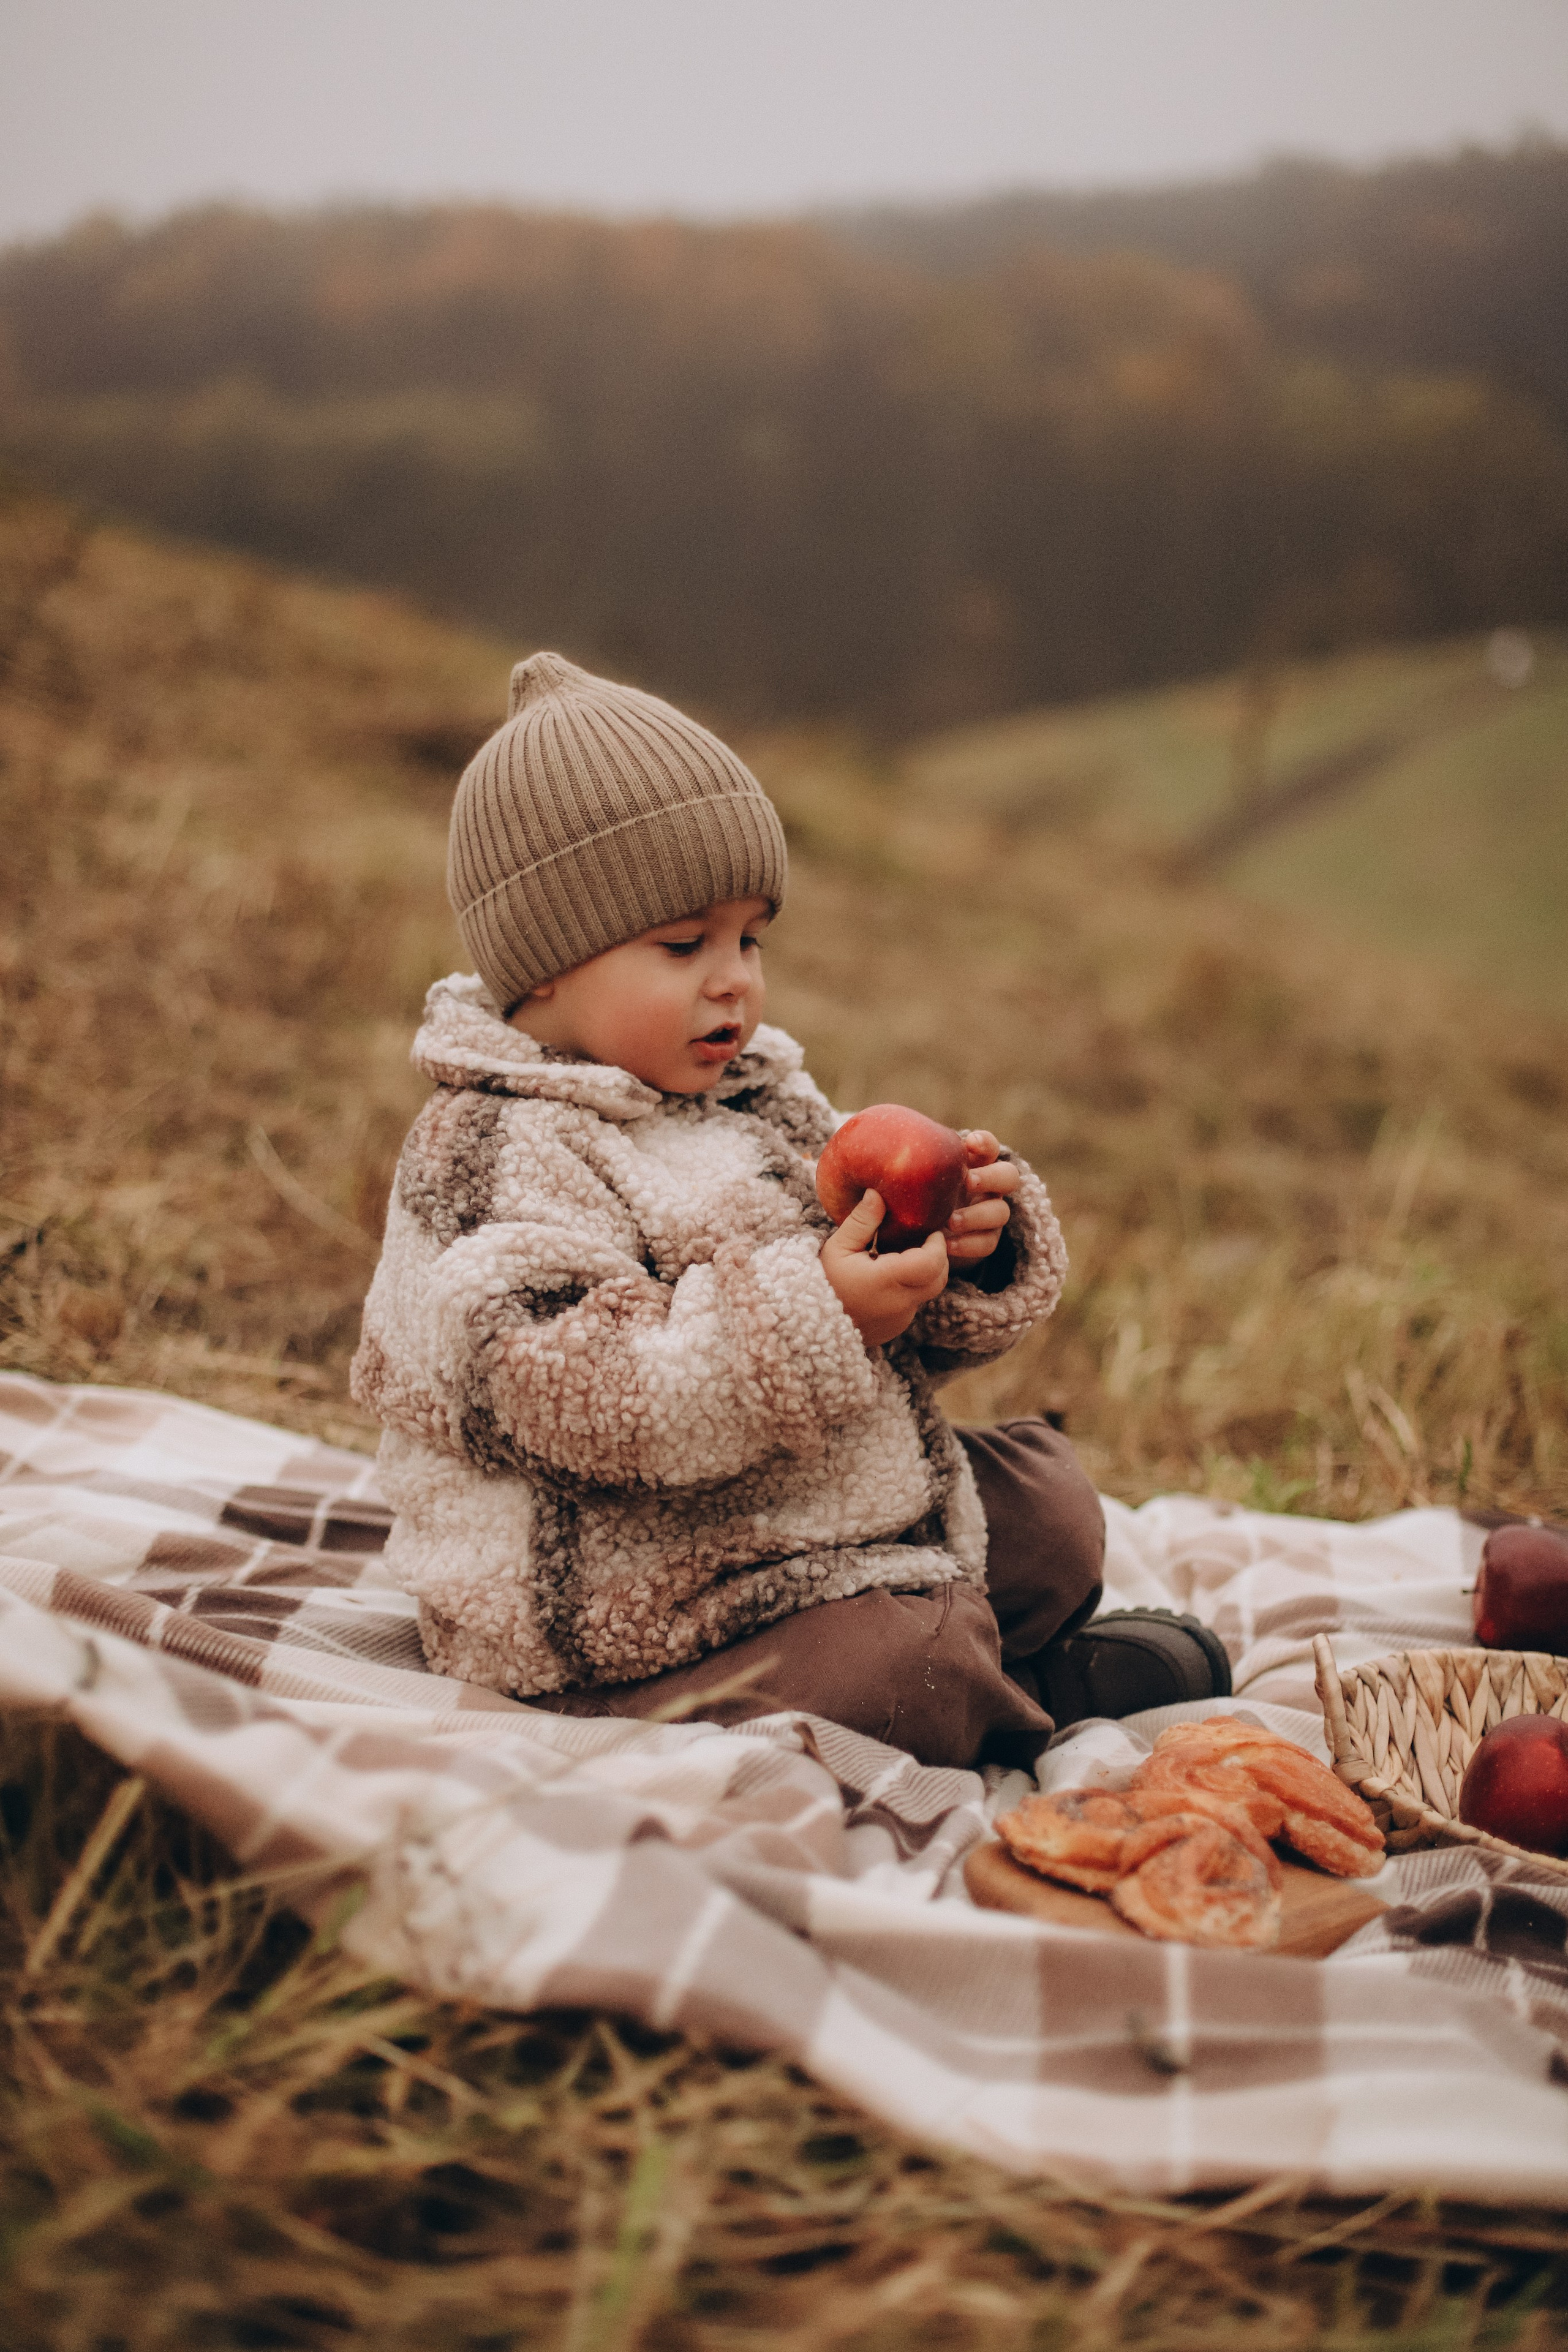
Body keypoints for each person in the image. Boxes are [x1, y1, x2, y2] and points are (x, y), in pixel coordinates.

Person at [351, 654, 1229, 1769]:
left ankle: (979, 1669)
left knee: (1054, 1511)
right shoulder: (493, 1149)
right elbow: (569, 1392)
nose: (734, 981)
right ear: (544, 971)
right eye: (683, 946)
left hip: (763, 1510)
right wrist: (818, 1313)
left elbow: (869, 1315)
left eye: (750, 938)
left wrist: (951, 1256)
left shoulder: (757, 1094)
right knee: (906, 1662)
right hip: (608, 1583)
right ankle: (1011, 1689)